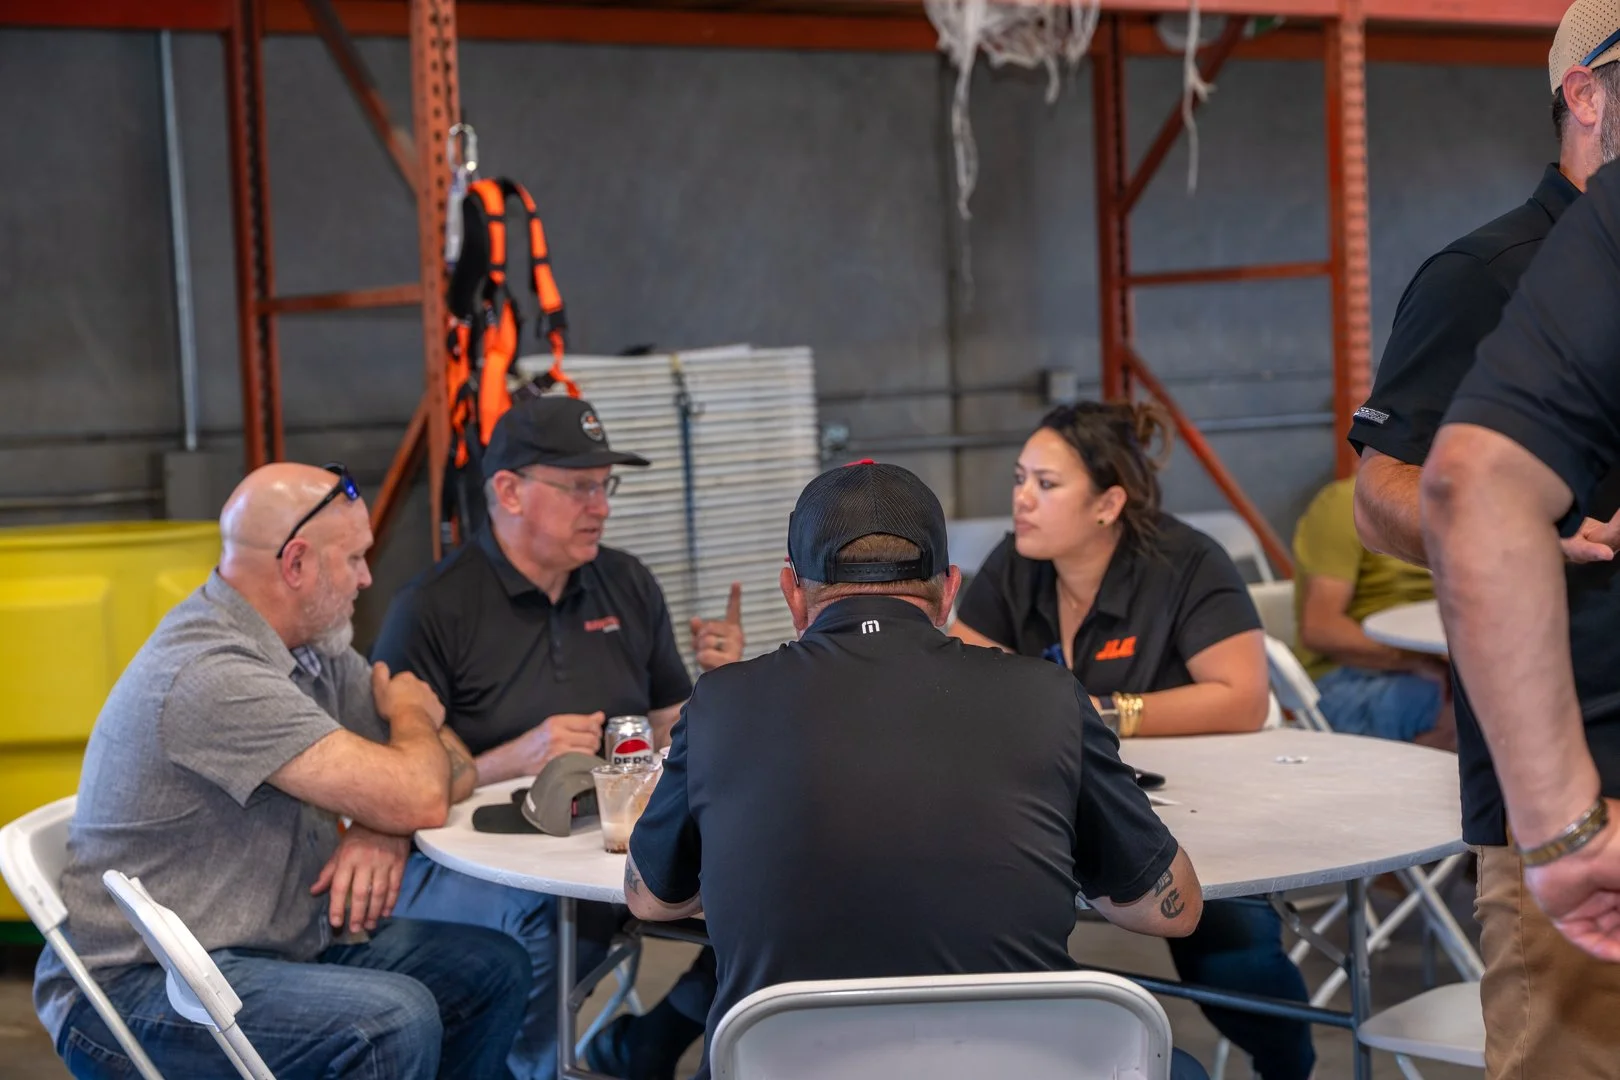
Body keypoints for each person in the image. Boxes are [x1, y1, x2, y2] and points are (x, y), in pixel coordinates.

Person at [626, 461, 1208, 1080]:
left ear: (793, 591)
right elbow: (1171, 911)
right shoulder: (1049, 697)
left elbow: (650, 899)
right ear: (949, 590)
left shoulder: (719, 704)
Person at [33, 462, 530, 1080]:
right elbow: (424, 787)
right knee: (391, 1021)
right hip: (141, 989)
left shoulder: (313, 649)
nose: (367, 577)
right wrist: (408, 717)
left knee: (492, 968)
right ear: (296, 564)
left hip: (264, 954)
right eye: (354, 559)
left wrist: (381, 822)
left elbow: (448, 768)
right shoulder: (213, 673)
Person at [1352, 6, 1620, 1075]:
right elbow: (1384, 492)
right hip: (1580, 776)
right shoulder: (1487, 274)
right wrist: (1521, 528)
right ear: (1585, 94)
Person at [371, 394, 741, 1080]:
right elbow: (392, 779)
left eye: (605, 486)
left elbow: (671, 726)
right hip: (475, 867)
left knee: (767, 878)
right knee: (545, 916)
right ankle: (528, 1067)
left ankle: (650, 1040)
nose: (600, 507)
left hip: (606, 848)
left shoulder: (626, 582)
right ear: (509, 492)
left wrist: (722, 691)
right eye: (579, 488)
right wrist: (516, 758)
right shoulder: (432, 607)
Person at [949, 402, 1314, 1080]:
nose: (1021, 499)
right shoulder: (1015, 562)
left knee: (1234, 951)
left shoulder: (1185, 562)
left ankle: (1290, 1066)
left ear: (1108, 504)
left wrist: (1102, 714)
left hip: (1188, 811)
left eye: (1046, 484)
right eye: (1020, 478)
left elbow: (1242, 697)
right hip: (1043, 809)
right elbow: (963, 675)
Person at [1291, 477, 1453, 748]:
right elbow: (1320, 628)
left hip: (1435, 665)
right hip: (1345, 676)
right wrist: (1418, 661)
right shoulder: (1347, 502)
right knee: (1481, 705)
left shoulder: (1451, 502)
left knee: (1507, 693)